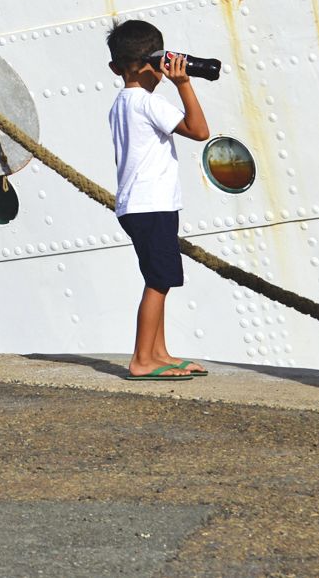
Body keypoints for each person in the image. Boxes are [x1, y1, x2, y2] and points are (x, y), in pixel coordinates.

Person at [105, 19, 210, 382]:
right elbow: (199, 131)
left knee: (157, 278)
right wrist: (185, 85)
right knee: (158, 282)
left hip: (137, 205)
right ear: (160, 63)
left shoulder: (121, 103)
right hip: (152, 205)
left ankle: (158, 353)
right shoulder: (150, 103)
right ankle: (141, 359)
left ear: (115, 68)